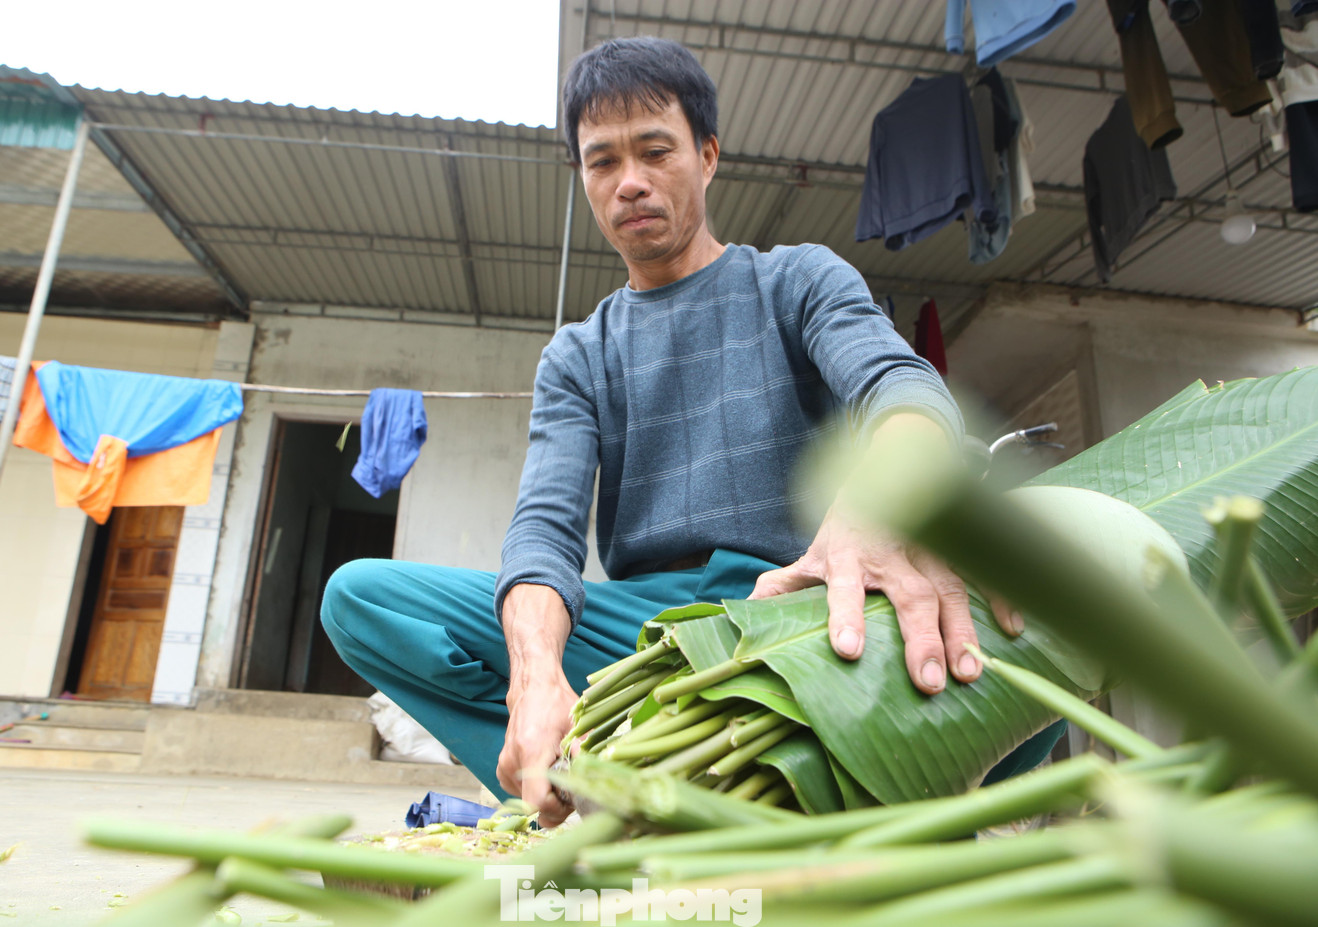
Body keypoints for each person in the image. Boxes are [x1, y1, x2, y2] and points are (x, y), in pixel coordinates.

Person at [322, 36, 1042, 828]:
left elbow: (902, 388)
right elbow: (544, 533)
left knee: (1045, 600)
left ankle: (852, 793)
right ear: (583, 180)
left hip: (804, 601)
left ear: (707, 155)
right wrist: (534, 675)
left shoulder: (797, 280)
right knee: (361, 600)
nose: (630, 182)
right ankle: (601, 800)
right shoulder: (577, 354)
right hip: (648, 631)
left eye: (655, 150)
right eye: (602, 162)